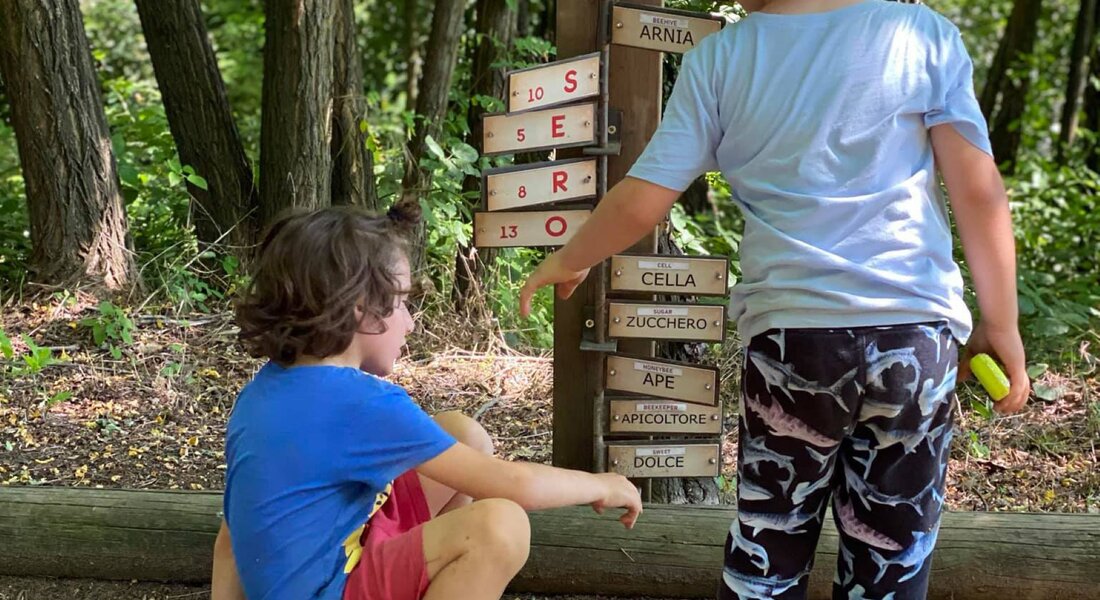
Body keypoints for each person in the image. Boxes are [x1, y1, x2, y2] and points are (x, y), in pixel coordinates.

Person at [519, 0, 1031, 598]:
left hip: (793, 342)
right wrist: (1002, 323)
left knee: (771, 540)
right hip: (915, 338)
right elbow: (977, 191)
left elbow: (643, 197)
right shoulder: (919, 34)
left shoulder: (723, 57)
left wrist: (572, 256)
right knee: (893, 554)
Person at [210, 205, 642, 600]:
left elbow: (231, 539)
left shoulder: (261, 395)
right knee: (498, 527)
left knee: (462, 435)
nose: (411, 323)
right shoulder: (362, 405)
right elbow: (517, 486)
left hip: (328, 562)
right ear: (361, 308)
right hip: (332, 587)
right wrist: (603, 483)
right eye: (401, 302)